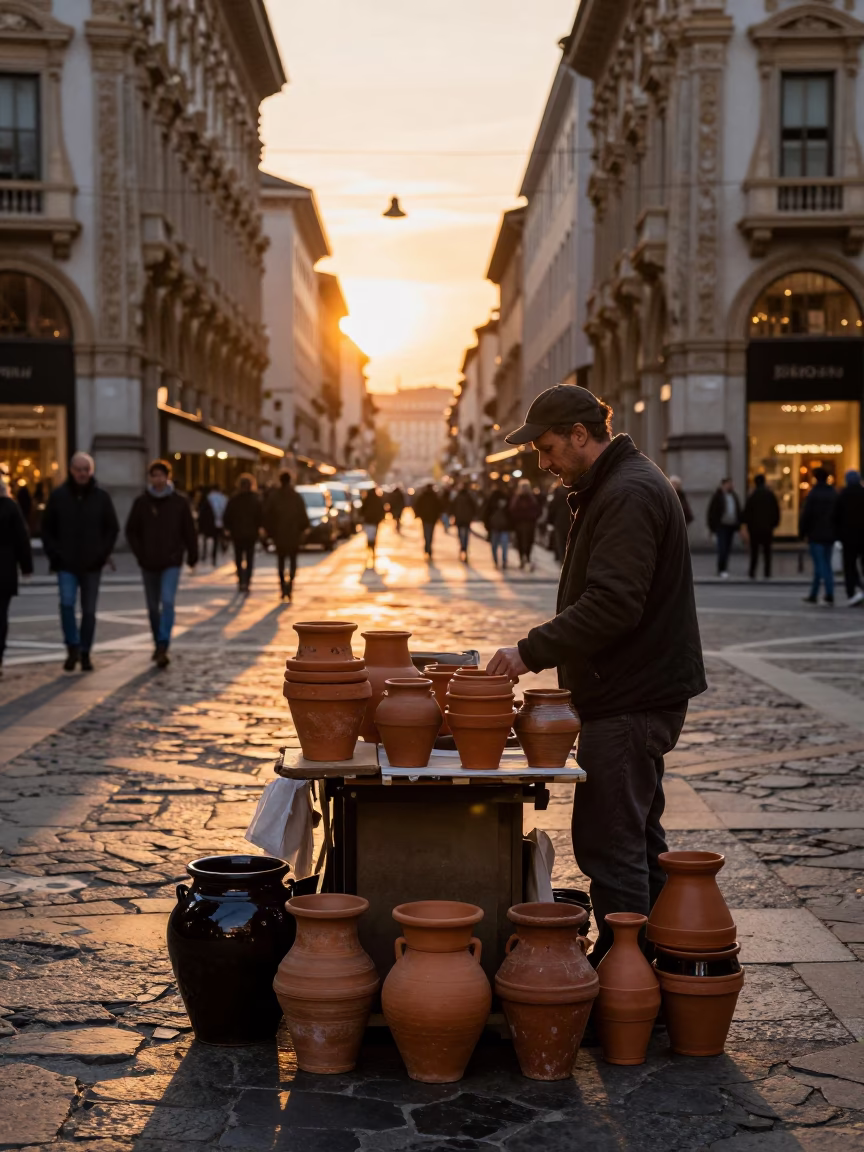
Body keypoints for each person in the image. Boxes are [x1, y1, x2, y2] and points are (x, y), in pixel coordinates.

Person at [487, 384, 705, 964]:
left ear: (581, 435)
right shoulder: (614, 485)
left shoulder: (628, 492)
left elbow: (613, 603)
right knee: (636, 839)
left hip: (631, 698)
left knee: (610, 846)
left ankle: (624, 974)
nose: (544, 462)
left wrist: (527, 652)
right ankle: (661, 966)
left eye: (549, 447)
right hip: (634, 692)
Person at [41, 452, 119, 672]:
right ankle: (72, 647)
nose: (83, 473)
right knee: (66, 605)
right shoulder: (58, 496)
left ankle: (85, 652)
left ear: (91, 471)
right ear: (71, 471)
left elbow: (112, 528)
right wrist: (54, 554)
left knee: (89, 611)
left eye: (86, 469)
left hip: (92, 564)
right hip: (65, 563)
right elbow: (46, 529)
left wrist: (102, 554)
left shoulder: (102, 497)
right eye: (78, 469)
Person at [125, 460, 198, 668]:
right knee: (151, 607)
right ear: (150, 478)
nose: (157, 479)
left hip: (171, 562)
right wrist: (140, 553)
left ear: (168, 477)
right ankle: (158, 641)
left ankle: (164, 643)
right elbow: (131, 530)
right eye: (154, 475)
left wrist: (192, 556)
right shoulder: (142, 502)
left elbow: (189, 531)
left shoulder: (179, 502)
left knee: (167, 601)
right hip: (148, 562)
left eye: (161, 475)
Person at [0, 477, 33, 676]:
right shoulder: (10, 507)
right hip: (4, 570)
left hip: (4, 570)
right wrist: (26, 567)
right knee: (0, 616)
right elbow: (22, 538)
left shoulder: (11, 508)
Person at [263, 471, 310, 600]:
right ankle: (290, 585)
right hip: (293, 535)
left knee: (281, 561)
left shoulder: (275, 496)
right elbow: (303, 516)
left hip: (279, 535)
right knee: (293, 561)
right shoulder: (296, 496)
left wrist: (270, 533)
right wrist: (303, 530)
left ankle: (283, 585)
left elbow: (267, 516)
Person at [800, 467, 838, 606]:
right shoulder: (833, 493)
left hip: (816, 534)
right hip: (830, 533)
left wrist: (802, 533)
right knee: (824, 563)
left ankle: (829, 593)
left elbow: (806, 515)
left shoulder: (813, 494)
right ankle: (814, 594)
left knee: (821, 565)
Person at [224, 474, 263, 593]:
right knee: (249, 559)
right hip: (250, 534)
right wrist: (260, 528)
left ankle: (241, 580)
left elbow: (227, 516)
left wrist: (228, 529)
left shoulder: (234, 499)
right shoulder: (255, 499)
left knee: (239, 558)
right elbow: (260, 516)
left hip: (237, 534)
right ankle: (247, 581)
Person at [741, 474, 780, 580]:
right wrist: (774, 524)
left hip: (754, 529)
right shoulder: (770, 495)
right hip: (767, 528)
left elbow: (747, 513)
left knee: (754, 552)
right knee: (767, 552)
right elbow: (776, 511)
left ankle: (752, 572)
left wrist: (747, 525)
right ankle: (767, 572)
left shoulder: (753, 496)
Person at [834, 469, 864, 607]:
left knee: (849, 566)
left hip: (848, 537)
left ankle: (851, 592)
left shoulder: (842, 495)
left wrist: (838, 534)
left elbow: (836, 516)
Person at [706, 478, 741, 579]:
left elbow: (737, 510)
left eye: (731, 484)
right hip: (721, 526)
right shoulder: (718, 496)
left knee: (727, 548)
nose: (731, 486)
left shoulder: (733, 496)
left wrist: (738, 525)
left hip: (731, 525)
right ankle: (721, 569)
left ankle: (724, 567)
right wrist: (712, 527)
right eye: (729, 484)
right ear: (724, 485)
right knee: (722, 548)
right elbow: (711, 512)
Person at [510, 479, 542, 571]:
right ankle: (523, 558)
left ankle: (526, 557)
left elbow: (537, 510)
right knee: (521, 541)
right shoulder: (518, 498)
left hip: (528, 523)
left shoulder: (531, 498)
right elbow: (513, 510)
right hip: (521, 523)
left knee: (528, 541)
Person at [483, 486, 512, 570]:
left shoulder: (491, 502)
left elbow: (485, 515)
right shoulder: (506, 501)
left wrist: (487, 527)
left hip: (496, 528)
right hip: (501, 528)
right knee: (503, 545)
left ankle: (498, 561)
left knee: (495, 546)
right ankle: (503, 561)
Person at [413, 483, 442, 560]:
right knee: (430, 533)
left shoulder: (423, 496)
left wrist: (418, 514)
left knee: (426, 533)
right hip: (431, 518)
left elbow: (417, 505)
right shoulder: (434, 496)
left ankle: (427, 547)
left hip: (425, 518)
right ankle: (428, 547)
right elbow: (439, 507)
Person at [361, 487, 386, 568]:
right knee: (373, 536)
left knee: (369, 536)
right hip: (375, 521)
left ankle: (370, 548)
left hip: (368, 521)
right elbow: (382, 509)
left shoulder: (367, 499)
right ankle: (372, 549)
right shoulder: (377, 499)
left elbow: (362, 510)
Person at [451, 484, 476, 562]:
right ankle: (464, 547)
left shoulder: (457, 497)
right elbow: (475, 507)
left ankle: (462, 547)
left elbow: (452, 507)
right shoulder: (469, 497)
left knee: (460, 535)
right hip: (466, 520)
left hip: (459, 519)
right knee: (465, 536)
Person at [548, 481, 571, 563]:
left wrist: (550, 520)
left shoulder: (557, 492)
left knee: (561, 543)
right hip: (571, 519)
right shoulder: (574, 490)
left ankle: (563, 562)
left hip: (559, 521)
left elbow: (552, 507)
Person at [197, 487, 218, 566]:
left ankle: (205, 556)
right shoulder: (211, 500)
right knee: (214, 541)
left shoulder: (205, 501)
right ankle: (212, 557)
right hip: (214, 524)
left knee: (205, 541)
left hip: (208, 524)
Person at [207, 485, 228, 561]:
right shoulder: (223, 498)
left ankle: (214, 554)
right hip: (222, 521)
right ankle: (223, 548)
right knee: (222, 537)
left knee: (215, 539)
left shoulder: (209, 497)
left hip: (212, 522)